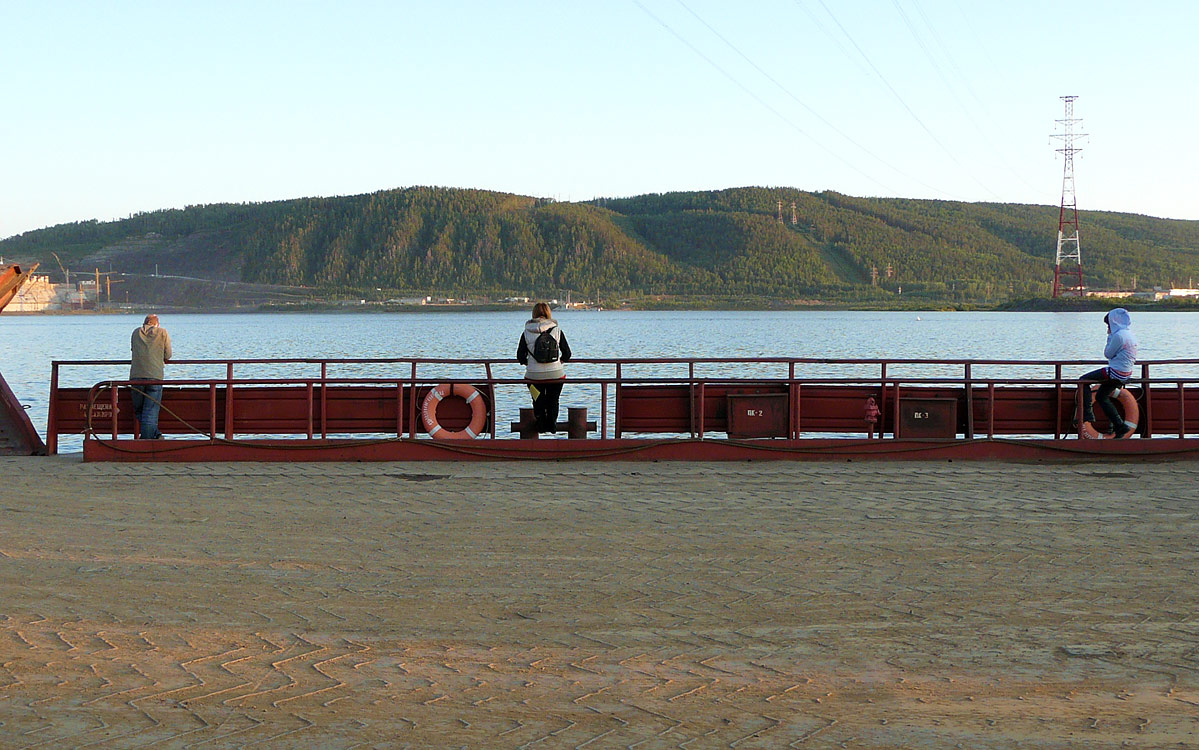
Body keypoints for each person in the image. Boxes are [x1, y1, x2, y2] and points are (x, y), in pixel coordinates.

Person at [1077, 308, 1137, 438]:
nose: (1108, 327)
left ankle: (1087, 414)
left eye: (1108, 324)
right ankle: (1120, 426)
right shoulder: (1129, 334)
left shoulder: (1118, 336)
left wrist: (1109, 336)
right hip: (1126, 373)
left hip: (1115, 372)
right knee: (1101, 396)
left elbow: (1107, 354)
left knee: (1083, 381)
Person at [516, 302, 571, 433]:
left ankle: (541, 423)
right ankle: (552, 424)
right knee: (554, 399)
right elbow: (567, 354)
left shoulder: (526, 332)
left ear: (533, 314)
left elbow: (520, 356)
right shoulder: (557, 331)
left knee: (537, 399)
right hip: (556, 375)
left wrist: (529, 363)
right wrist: (559, 361)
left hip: (533, 376)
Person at [129, 313, 172, 439]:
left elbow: (133, 350)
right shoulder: (162, 332)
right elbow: (168, 355)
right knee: (150, 412)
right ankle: (147, 442)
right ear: (157, 323)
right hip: (155, 376)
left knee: (140, 411)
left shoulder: (135, 332)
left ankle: (155, 435)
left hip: (136, 376)